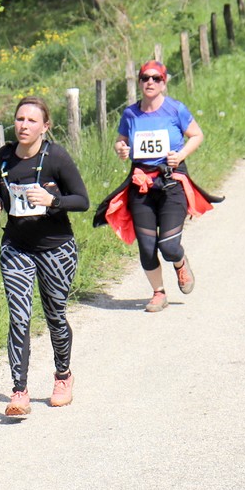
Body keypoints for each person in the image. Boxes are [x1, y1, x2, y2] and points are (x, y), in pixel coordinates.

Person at [0, 96, 89, 417]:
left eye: (32, 120)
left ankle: (63, 376)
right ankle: (19, 391)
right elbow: (3, 187)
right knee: (19, 317)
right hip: (16, 247)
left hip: (56, 248)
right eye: (20, 119)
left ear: (45, 127)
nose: (24, 125)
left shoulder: (56, 157)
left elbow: (82, 200)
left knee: (55, 315)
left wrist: (52, 200)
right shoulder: (5, 155)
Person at [93, 60, 222, 312]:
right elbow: (121, 141)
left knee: (169, 246)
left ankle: (180, 262)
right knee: (147, 247)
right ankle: (158, 293)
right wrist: (121, 149)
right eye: (145, 78)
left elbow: (197, 135)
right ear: (139, 82)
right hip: (141, 185)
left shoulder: (175, 109)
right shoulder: (130, 114)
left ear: (164, 83)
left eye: (156, 78)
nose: (150, 82)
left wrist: (180, 155)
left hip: (172, 183)